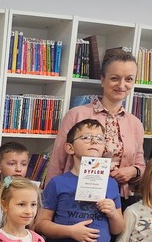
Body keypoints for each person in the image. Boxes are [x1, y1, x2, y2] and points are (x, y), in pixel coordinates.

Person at [35, 118, 124, 242]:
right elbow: (40, 224)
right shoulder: (57, 183)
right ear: (70, 148)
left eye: (99, 138)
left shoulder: (111, 184)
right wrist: (70, 232)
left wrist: (113, 213)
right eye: (86, 137)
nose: (94, 141)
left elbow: (118, 229)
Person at [48, 49, 145, 200]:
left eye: (129, 79)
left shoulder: (135, 124)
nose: (121, 85)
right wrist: (48, 203)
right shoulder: (76, 115)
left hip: (117, 200)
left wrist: (133, 171)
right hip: (74, 198)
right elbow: (57, 162)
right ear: (102, 80)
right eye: (115, 78)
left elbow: (141, 165)